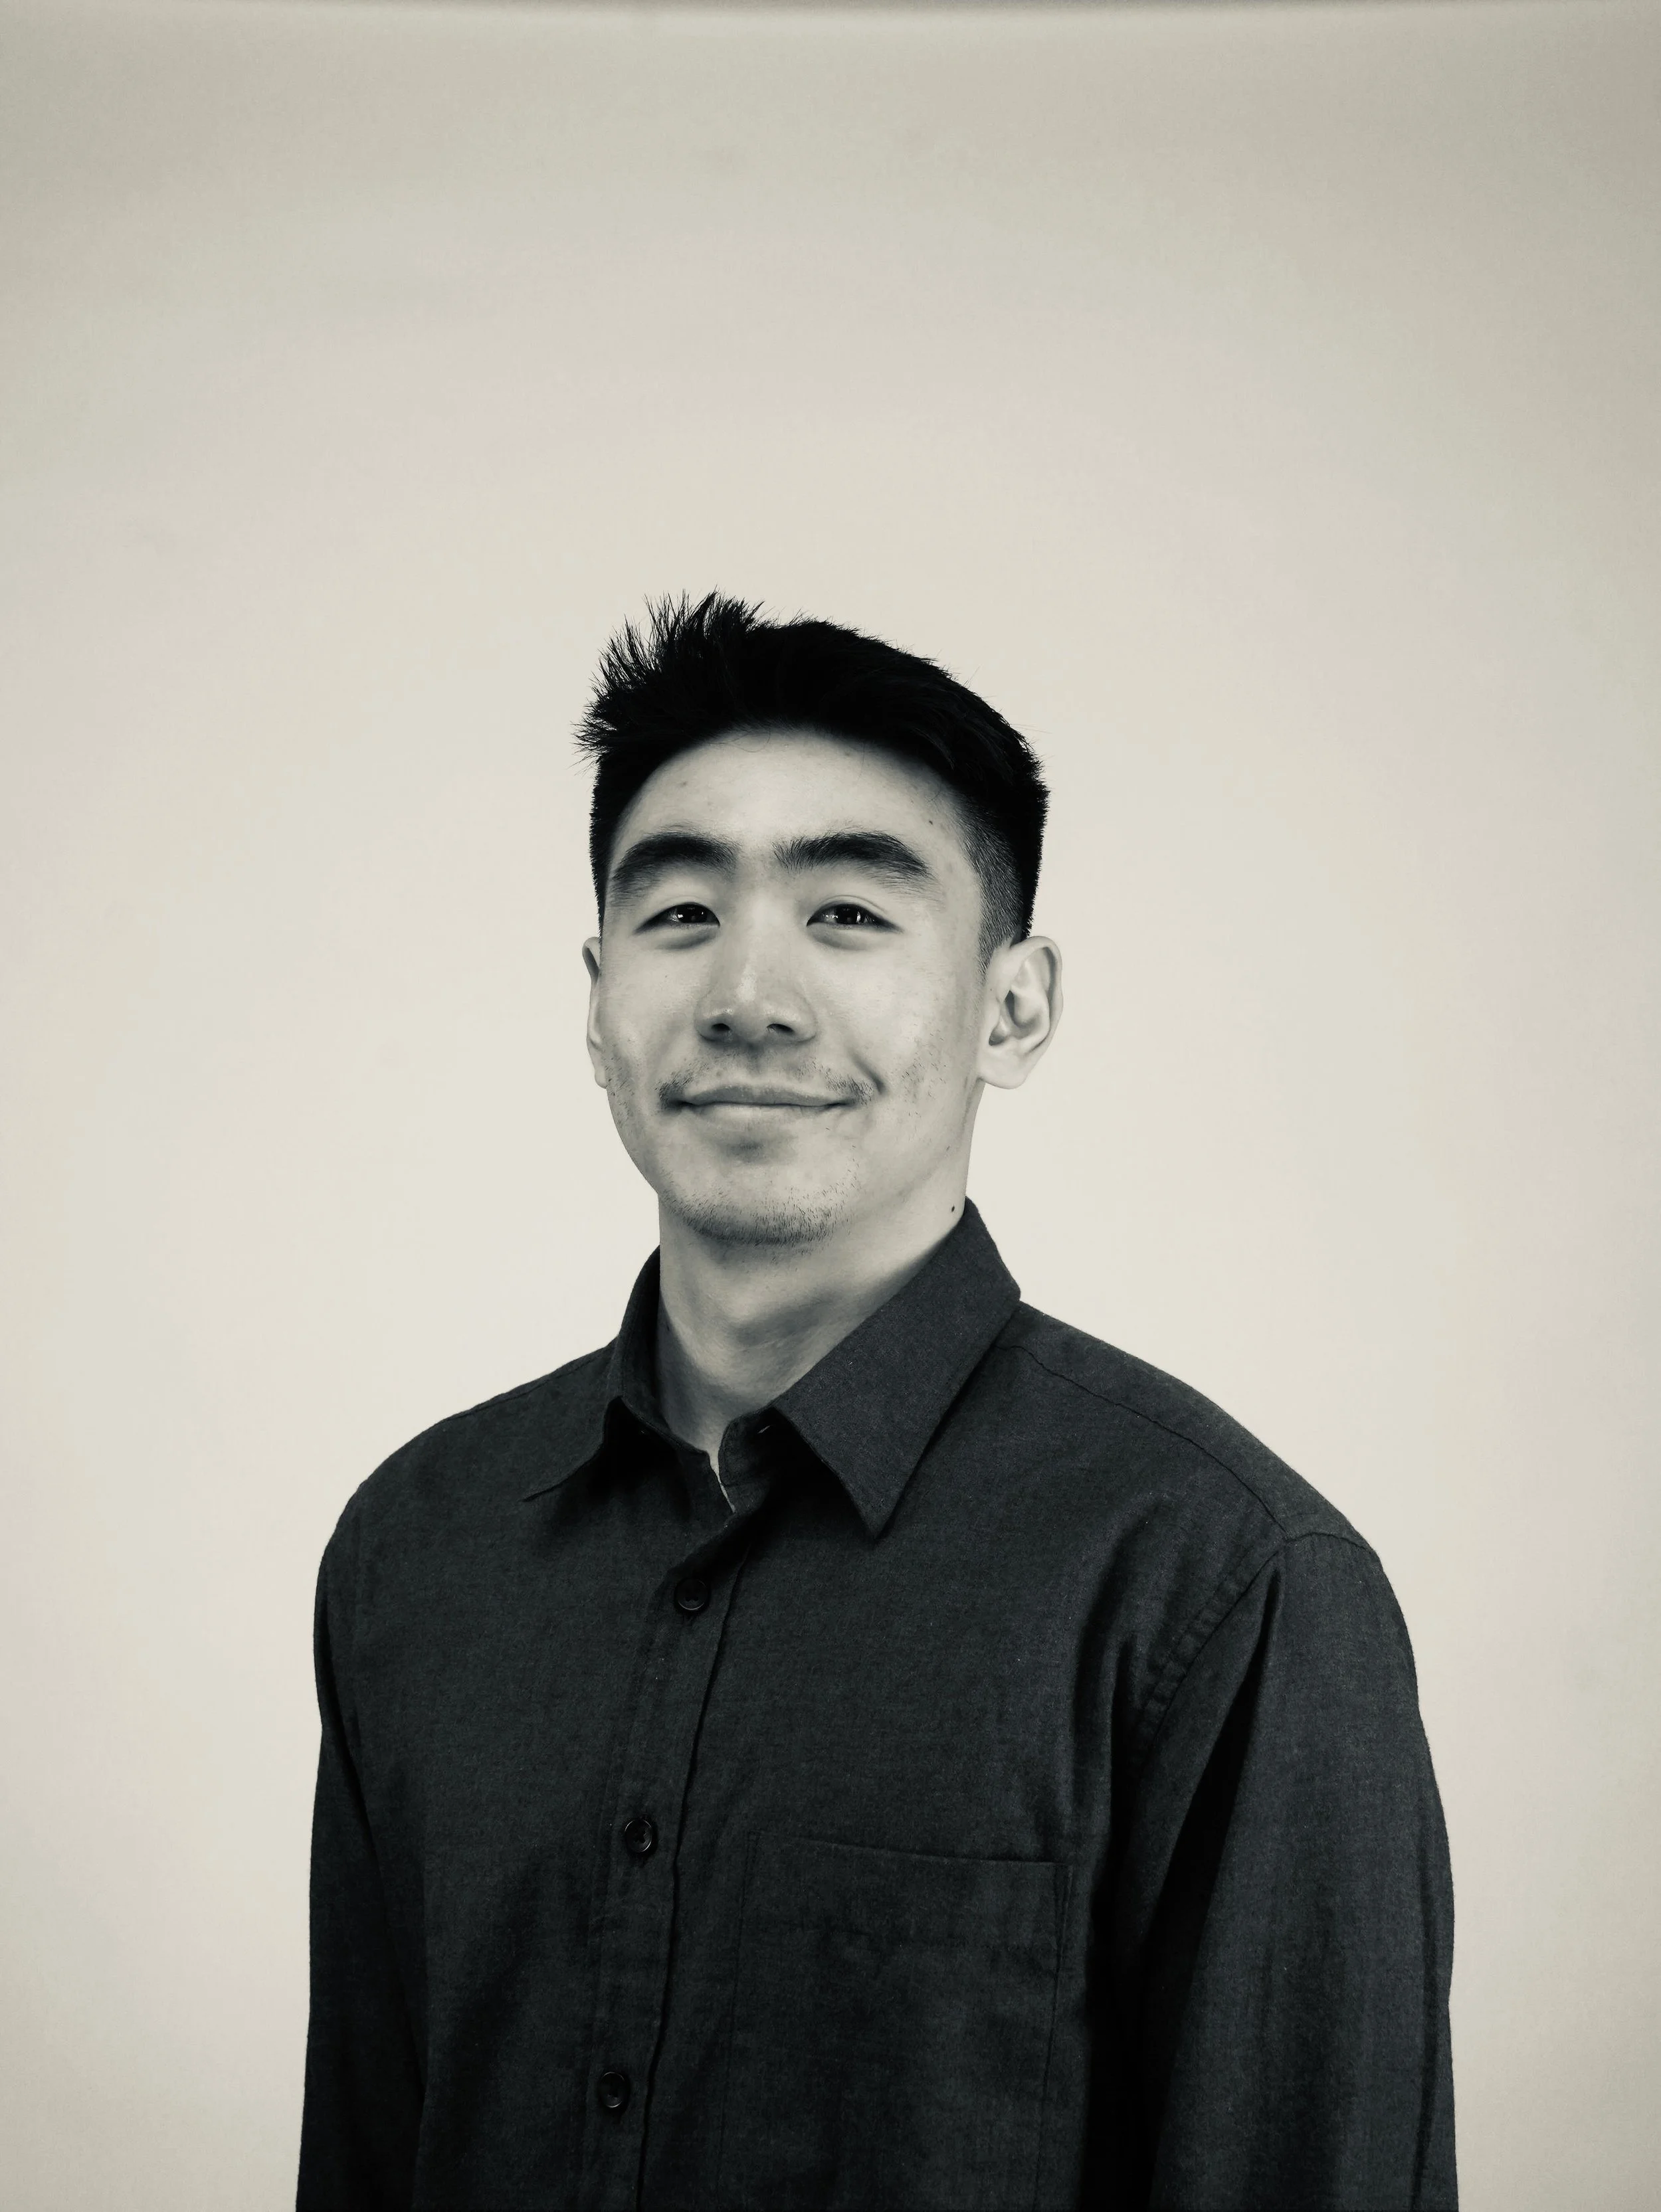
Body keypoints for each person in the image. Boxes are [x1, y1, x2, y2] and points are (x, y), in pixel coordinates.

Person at [297, 595, 1456, 2212]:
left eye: (846, 912)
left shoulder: (1220, 1583)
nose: (746, 996)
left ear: (1011, 1008)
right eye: (679, 912)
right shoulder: (420, 1546)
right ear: (597, 1000)